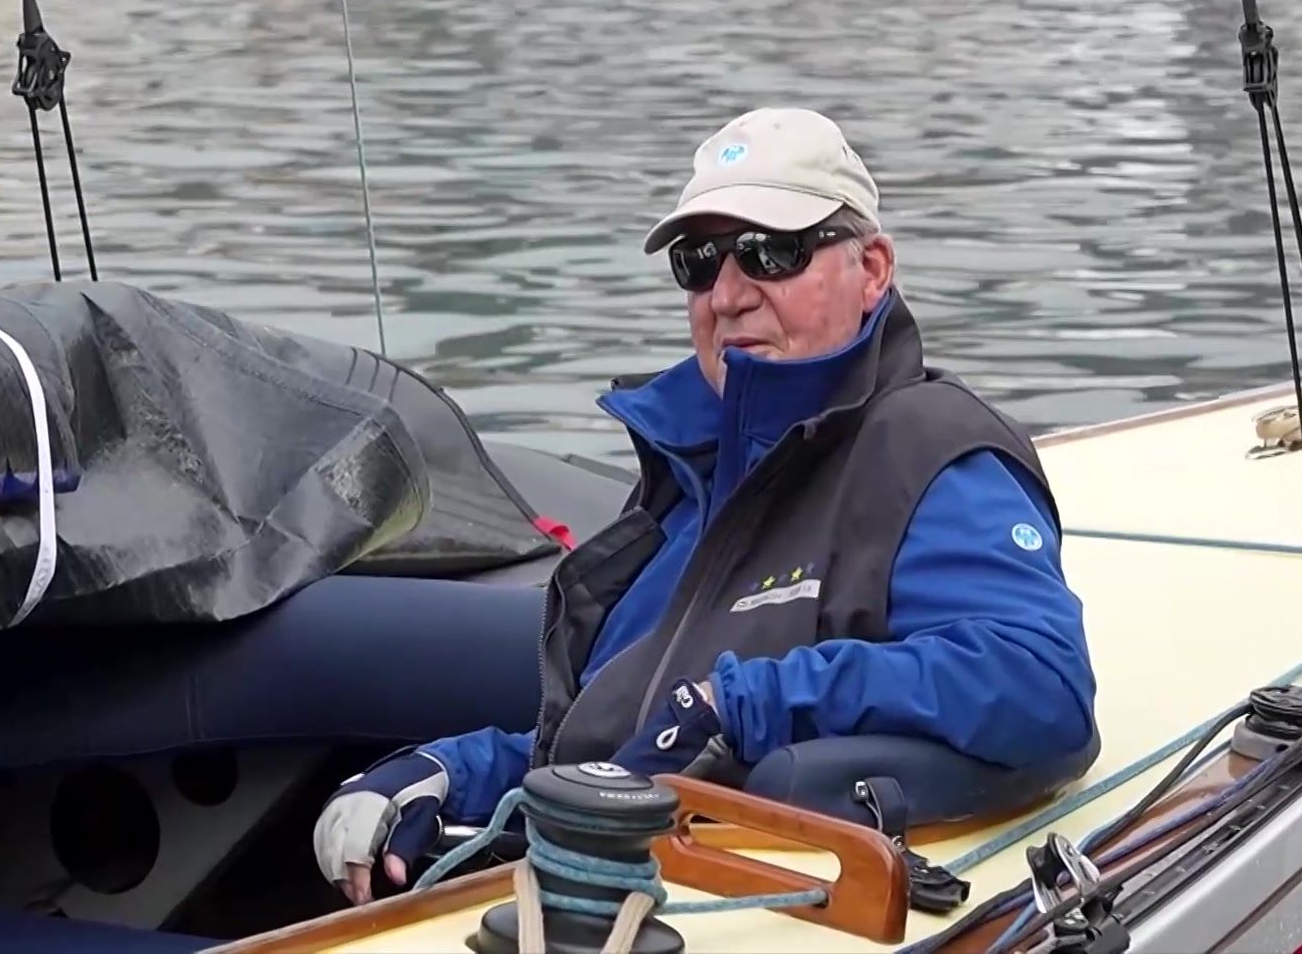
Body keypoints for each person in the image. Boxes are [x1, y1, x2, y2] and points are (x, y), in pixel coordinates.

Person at [313, 107, 1098, 906]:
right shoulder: (691, 471)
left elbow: (1040, 680)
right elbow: (617, 738)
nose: (727, 294)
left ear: (872, 270)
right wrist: (451, 771)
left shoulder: (932, 454)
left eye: (771, 252)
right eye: (699, 262)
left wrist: (742, 703)